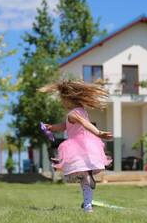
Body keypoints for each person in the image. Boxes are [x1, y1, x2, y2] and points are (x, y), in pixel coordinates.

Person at [39, 80, 112, 213]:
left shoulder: (73, 114)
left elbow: (85, 124)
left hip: (77, 146)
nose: (62, 103)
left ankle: (84, 175)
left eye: (62, 100)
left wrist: (99, 133)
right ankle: (88, 206)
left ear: (68, 99)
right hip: (88, 145)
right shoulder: (81, 111)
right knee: (84, 180)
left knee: (72, 172)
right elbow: (65, 126)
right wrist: (52, 127)